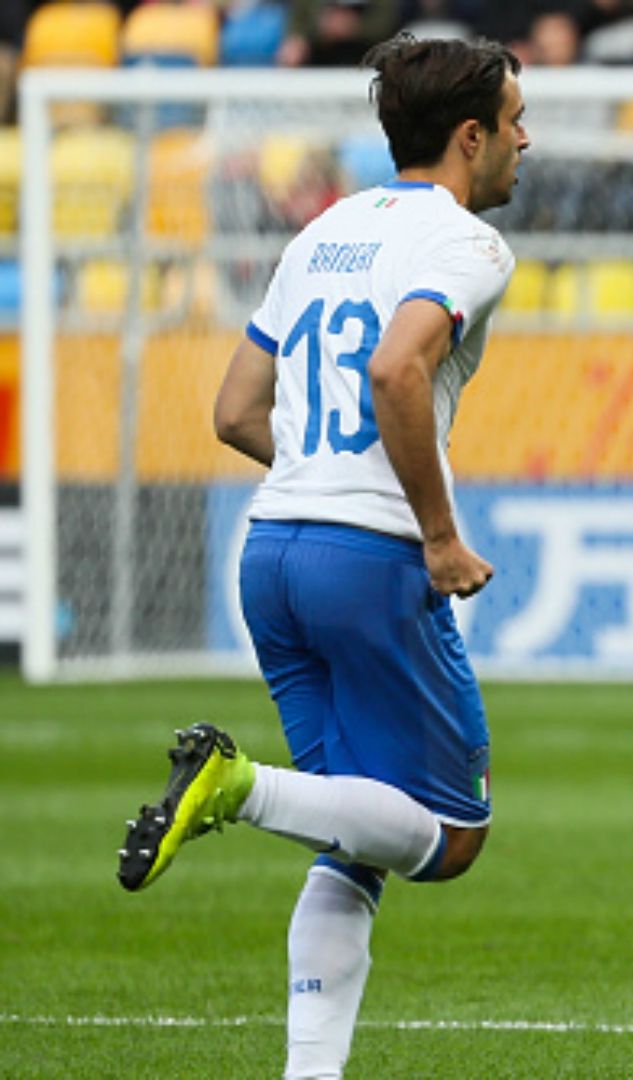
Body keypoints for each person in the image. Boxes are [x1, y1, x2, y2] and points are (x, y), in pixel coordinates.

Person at [117, 34, 527, 1080]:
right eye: (514, 123)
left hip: (272, 554)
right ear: (469, 136)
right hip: (368, 564)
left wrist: (316, 474)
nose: (524, 142)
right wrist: (437, 534)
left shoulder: (323, 231)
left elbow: (232, 411)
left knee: (354, 837)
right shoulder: (470, 245)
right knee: (451, 834)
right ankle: (236, 786)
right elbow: (396, 369)